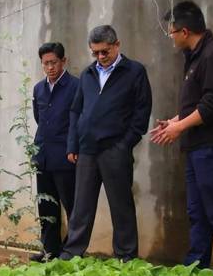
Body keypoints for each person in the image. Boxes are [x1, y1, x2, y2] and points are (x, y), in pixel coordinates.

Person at [150, 1, 213, 272]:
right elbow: (197, 105)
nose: (171, 38)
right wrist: (175, 122)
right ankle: (196, 265)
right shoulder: (196, 58)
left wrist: (181, 127)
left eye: (171, 33)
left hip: (212, 146)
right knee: (197, 212)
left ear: (185, 31)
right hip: (197, 146)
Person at [60, 25, 152, 262]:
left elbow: (141, 113)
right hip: (87, 150)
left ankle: (126, 256)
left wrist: (125, 144)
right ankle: (71, 253)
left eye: (105, 51)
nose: (100, 57)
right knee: (82, 206)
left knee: (121, 206)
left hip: (115, 150)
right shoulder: (88, 75)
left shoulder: (134, 72)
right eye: (95, 53)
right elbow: (75, 110)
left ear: (116, 45)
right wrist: (73, 144)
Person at [30, 42, 78, 261]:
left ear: (63, 61)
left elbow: (78, 121)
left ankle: (72, 250)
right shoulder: (39, 88)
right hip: (43, 156)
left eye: (53, 62)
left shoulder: (75, 86)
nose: (50, 67)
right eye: (45, 63)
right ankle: (49, 250)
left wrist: (72, 147)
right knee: (46, 205)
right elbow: (39, 118)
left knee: (71, 205)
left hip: (66, 156)